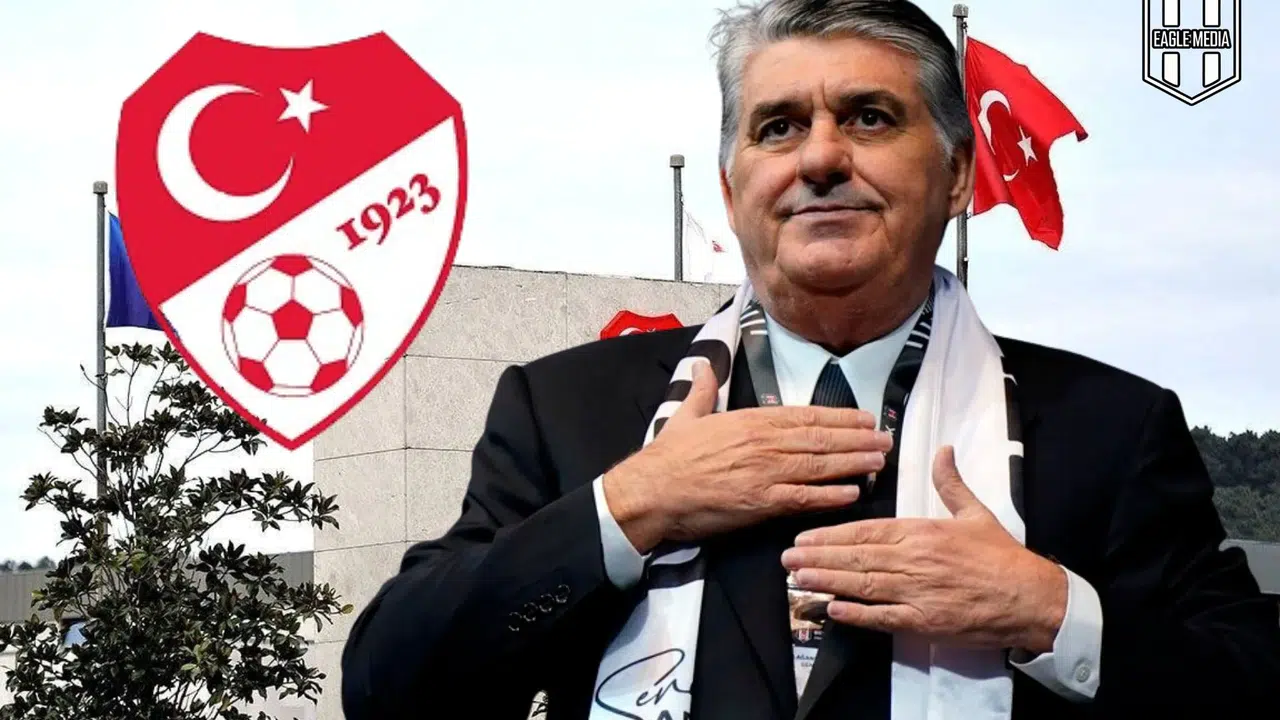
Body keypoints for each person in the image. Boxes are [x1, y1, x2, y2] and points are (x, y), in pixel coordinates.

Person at [340, 1, 1280, 718]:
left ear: (957, 172)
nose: (820, 159)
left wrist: (1050, 613)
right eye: (779, 126)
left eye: (869, 118)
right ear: (731, 186)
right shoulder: (568, 409)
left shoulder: (1110, 428)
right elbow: (389, 685)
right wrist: (629, 510)